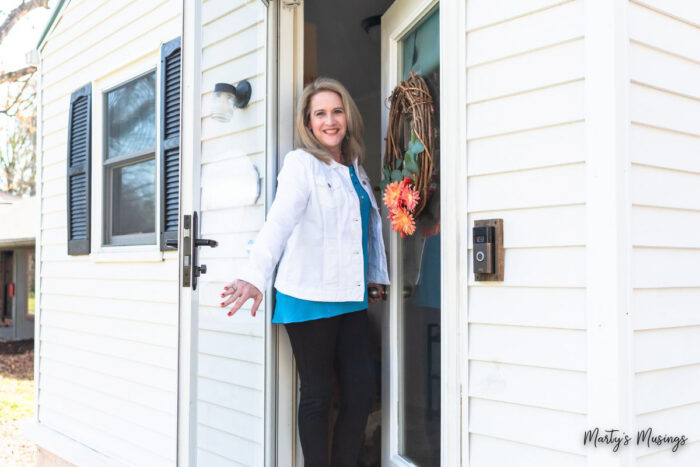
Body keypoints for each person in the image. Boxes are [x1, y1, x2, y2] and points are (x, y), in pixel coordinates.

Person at [220, 77, 390, 466]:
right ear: (308, 123)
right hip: (308, 295)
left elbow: (367, 231)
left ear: (347, 116)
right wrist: (254, 275)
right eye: (320, 114)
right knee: (316, 394)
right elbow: (279, 221)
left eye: (336, 111)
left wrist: (376, 277)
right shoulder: (302, 164)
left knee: (361, 393)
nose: (330, 121)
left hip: (350, 296)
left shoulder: (357, 171)